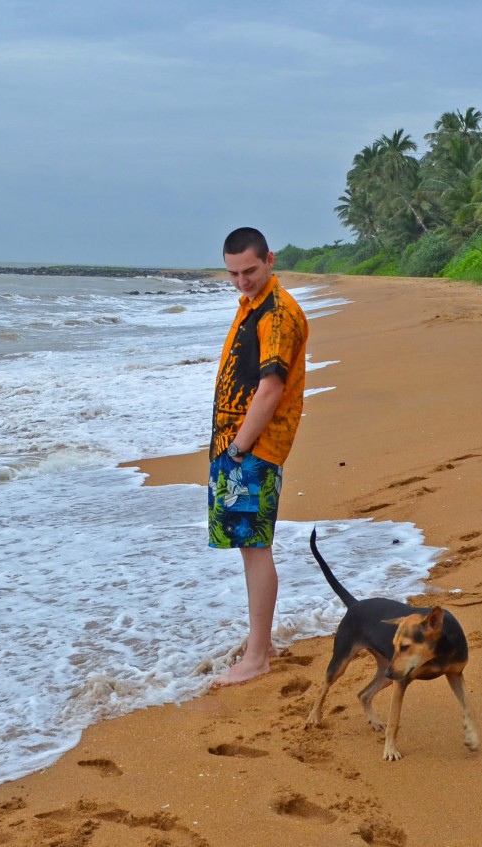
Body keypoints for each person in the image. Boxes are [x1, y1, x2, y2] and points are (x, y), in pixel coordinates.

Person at [208, 226, 308, 687]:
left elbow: (271, 388)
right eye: (233, 273)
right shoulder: (253, 304)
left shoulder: (279, 313)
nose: (242, 280)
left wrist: (238, 448)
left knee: (255, 547)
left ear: (269, 259)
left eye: (249, 270)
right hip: (241, 446)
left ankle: (257, 657)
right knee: (250, 547)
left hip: (253, 448)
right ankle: (260, 645)